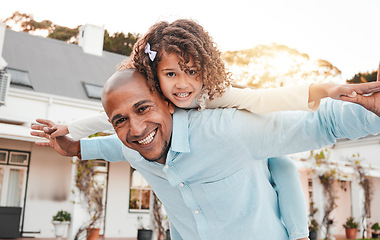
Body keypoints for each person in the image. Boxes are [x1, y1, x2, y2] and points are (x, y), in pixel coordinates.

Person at [45, 19, 375, 240]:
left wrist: (360, 106)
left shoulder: (227, 125)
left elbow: (319, 121)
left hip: (258, 150)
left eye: (144, 109)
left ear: (164, 103)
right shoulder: (137, 145)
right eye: (122, 120)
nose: (137, 128)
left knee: (283, 163)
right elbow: (112, 143)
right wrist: (75, 145)